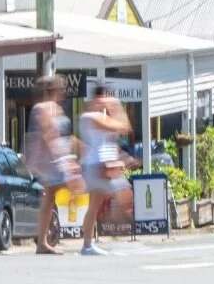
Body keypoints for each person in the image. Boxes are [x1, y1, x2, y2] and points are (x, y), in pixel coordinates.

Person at [25, 75, 82, 255]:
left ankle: (43, 241)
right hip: (52, 160)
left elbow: (64, 136)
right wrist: (64, 160)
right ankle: (44, 241)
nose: (63, 91)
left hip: (60, 158)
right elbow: (48, 136)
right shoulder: (42, 108)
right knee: (58, 195)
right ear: (53, 90)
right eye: (60, 88)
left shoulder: (57, 108)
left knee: (50, 199)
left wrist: (72, 155)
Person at [78, 84, 133, 256]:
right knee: (127, 198)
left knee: (94, 207)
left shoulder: (101, 116)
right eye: (104, 97)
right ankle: (96, 241)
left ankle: (87, 245)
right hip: (97, 167)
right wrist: (115, 106)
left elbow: (115, 137)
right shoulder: (91, 117)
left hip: (103, 166)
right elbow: (124, 127)